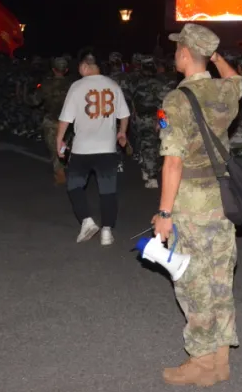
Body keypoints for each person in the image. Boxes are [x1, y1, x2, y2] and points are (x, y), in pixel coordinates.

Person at [152, 24, 241, 386]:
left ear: (186, 54)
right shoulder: (224, 91)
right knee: (220, 279)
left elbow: (172, 162)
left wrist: (164, 213)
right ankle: (221, 360)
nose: (175, 54)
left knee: (192, 281)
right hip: (222, 200)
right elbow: (237, 80)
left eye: (178, 49)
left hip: (190, 203)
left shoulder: (176, 100)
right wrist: (215, 55)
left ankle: (201, 361)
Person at [56, 47, 130, 246]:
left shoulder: (77, 87)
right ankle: (107, 231)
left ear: (84, 66)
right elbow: (124, 114)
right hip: (107, 148)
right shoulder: (113, 85)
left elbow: (65, 119)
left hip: (82, 148)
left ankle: (87, 221)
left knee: (74, 186)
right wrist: (122, 132)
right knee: (108, 191)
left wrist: (59, 140)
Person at [128, 55, 169, 189]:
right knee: (152, 145)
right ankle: (149, 171)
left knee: (148, 145)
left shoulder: (136, 82)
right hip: (151, 118)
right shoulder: (159, 83)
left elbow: (132, 101)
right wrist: (162, 123)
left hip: (145, 119)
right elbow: (164, 104)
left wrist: (162, 122)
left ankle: (151, 175)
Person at [38, 57, 72, 184]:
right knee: (64, 143)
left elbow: (34, 100)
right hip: (68, 121)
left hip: (51, 119)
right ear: (66, 70)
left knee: (53, 146)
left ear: (53, 69)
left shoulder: (46, 84)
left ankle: (59, 170)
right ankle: (65, 164)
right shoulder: (72, 85)